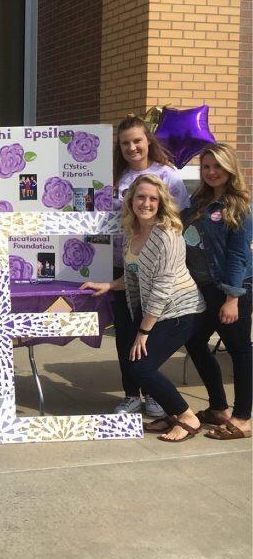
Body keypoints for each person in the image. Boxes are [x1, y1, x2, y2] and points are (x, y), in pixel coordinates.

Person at [82, 173, 205, 442]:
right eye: (141, 197)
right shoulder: (133, 232)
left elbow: (161, 288)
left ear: (160, 202)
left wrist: (143, 331)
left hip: (180, 311)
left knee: (142, 367)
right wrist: (109, 285)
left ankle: (186, 417)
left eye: (152, 198)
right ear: (131, 200)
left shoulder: (167, 235)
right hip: (157, 310)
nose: (146, 203)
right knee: (136, 364)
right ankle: (172, 414)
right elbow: (134, 276)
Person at [110, 115, 191, 418]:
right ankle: (131, 395)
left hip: (155, 269)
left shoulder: (167, 175)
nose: (132, 147)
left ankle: (155, 394)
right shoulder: (115, 177)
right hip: (123, 265)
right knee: (125, 333)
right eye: (125, 143)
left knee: (149, 333)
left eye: (137, 141)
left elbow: (180, 219)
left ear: (148, 141)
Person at [182, 144, 252, 440]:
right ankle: (219, 408)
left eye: (217, 166)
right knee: (195, 342)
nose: (211, 172)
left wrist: (232, 298)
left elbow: (239, 255)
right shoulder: (198, 202)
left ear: (229, 169)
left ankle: (243, 418)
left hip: (231, 290)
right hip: (204, 289)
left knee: (239, 351)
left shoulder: (239, 207)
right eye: (206, 166)